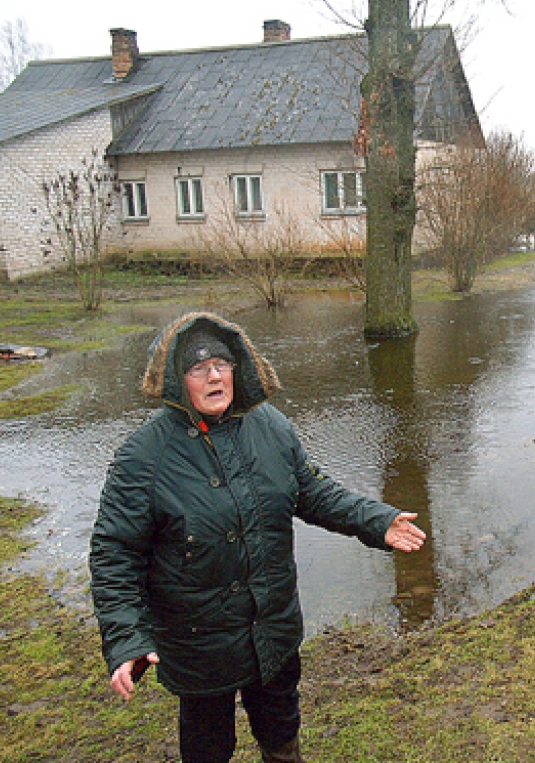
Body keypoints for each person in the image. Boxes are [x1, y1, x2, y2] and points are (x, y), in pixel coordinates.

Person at [89, 312, 425, 763]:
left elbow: (312, 491)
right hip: (199, 641)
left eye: (222, 365)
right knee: (208, 745)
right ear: (174, 380)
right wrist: (126, 638)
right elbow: (115, 554)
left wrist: (376, 520)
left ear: (238, 368)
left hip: (273, 626)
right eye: (197, 369)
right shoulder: (142, 457)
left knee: (281, 728)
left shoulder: (271, 427)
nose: (214, 377)